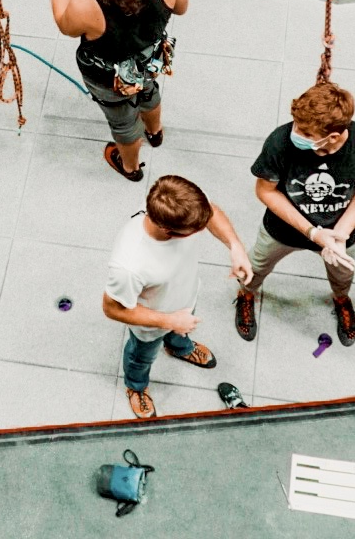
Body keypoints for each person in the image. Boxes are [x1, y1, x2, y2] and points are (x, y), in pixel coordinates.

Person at [233, 81, 355, 348]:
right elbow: (265, 190)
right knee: (255, 268)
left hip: (340, 232)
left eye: (305, 131)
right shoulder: (279, 142)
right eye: (296, 124)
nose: (295, 132)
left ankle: (341, 300)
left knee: (342, 275)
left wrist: (341, 233)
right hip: (282, 228)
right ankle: (247, 295)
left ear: (333, 136)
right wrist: (313, 233)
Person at [104, 174, 252, 419]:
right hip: (152, 324)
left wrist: (235, 246)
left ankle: (178, 348)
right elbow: (112, 308)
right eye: (196, 230)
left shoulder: (177, 202)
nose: (203, 230)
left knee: (181, 334)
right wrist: (170, 321)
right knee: (141, 356)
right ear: (168, 231)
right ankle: (136, 386)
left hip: (184, 300)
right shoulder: (129, 265)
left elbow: (210, 211)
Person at [45, 0, 189, 182]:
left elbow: (63, 23)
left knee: (122, 121)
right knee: (148, 90)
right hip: (150, 58)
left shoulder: (86, 5)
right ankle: (154, 132)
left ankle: (131, 168)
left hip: (108, 76)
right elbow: (181, 8)